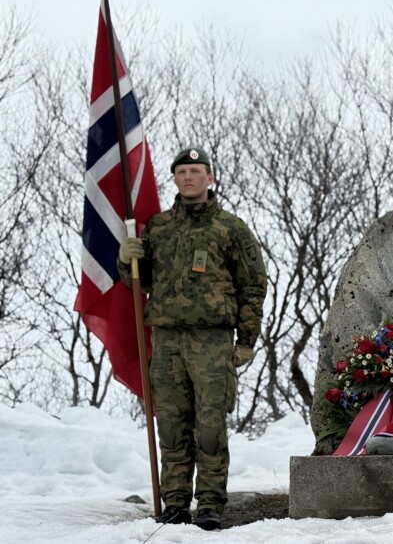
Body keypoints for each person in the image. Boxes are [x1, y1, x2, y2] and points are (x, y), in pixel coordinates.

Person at [118, 146, 267, 530]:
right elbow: (141, 281)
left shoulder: (230, 228)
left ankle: (211, 503)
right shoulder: (159, 228)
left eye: (195, 171)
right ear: (174, 179)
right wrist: (126, 258)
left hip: (212, 341)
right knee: (171, 425)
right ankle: (176, 502)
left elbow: (253, 285)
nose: (188, 177)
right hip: (167, 340)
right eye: (181, 172)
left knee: (211, 427)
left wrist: (247, 339)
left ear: (209, 177)